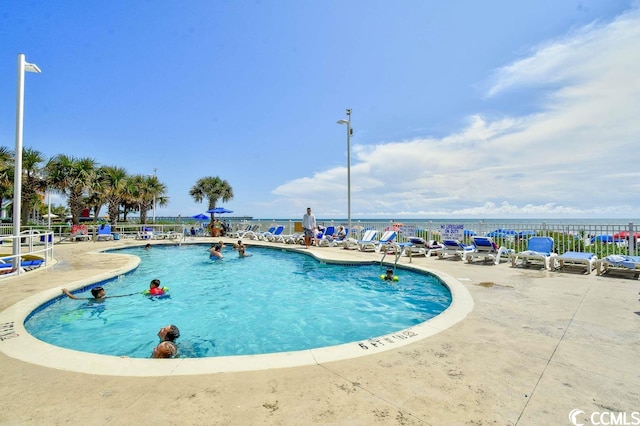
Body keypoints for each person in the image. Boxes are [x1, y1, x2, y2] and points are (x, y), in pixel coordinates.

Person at [61, 286, 136, 300]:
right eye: (103, 290)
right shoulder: (105, 299)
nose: (105, 291)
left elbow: (76, 298)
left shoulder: (91, 300)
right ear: (100, 293)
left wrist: (67, 293)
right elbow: (118, 296)